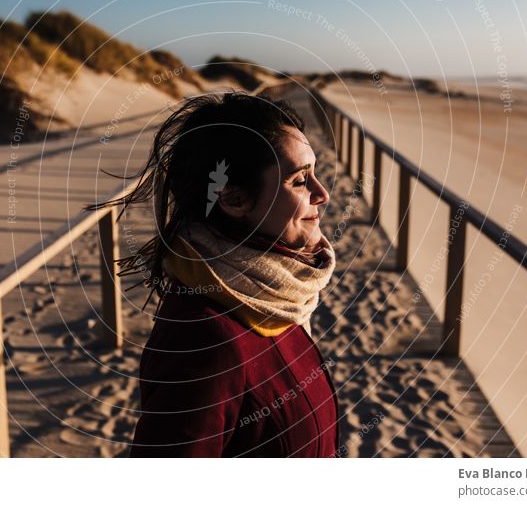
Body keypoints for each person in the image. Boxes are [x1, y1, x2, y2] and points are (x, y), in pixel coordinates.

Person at [85, 91, 339, 457]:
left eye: (315, 173)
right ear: (234, 200)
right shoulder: (206, 343)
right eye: (299, 181)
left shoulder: (276, 297)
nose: (323, 194)